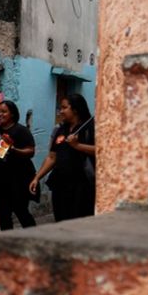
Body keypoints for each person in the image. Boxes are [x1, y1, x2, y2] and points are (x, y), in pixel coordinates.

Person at [30, 93, 96, 221]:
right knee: (61, 220)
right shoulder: (60, 129)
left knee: (78, 222)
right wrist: (37, 177)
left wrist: (77, 146)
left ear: (75, 109)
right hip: (60, 184)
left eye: (64, 108)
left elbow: (101, 151)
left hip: (82, 186)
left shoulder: (90, 127)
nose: (61, 111)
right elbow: (52, 157)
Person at [0, 100, 38, 230]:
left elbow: (31, 151)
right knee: (3, 215)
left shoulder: (21, 130)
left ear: (13, 114)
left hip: (17, 180)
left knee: (21, 212)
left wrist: (14, 149)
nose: (0, 114)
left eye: (4, 111)